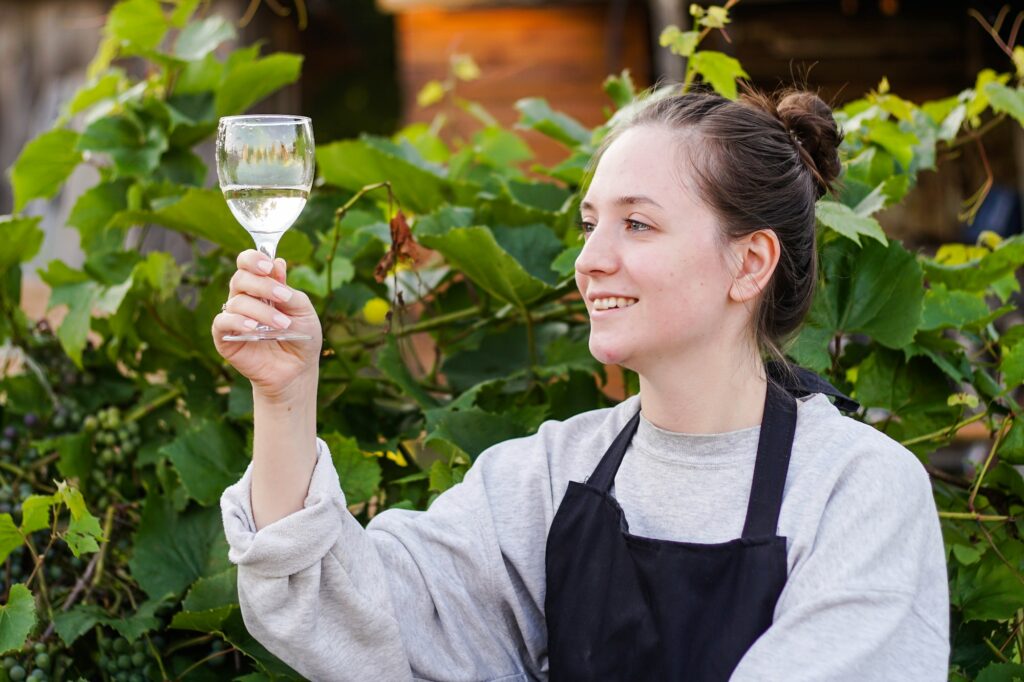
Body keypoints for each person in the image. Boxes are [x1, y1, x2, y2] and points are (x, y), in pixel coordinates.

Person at [215, 88, 950, 681]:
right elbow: (349, 613)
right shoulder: (546, 476)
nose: (590, 259)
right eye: (590, 222)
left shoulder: (859, 489)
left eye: (637, 225)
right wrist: (285, 398)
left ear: (750, 263)